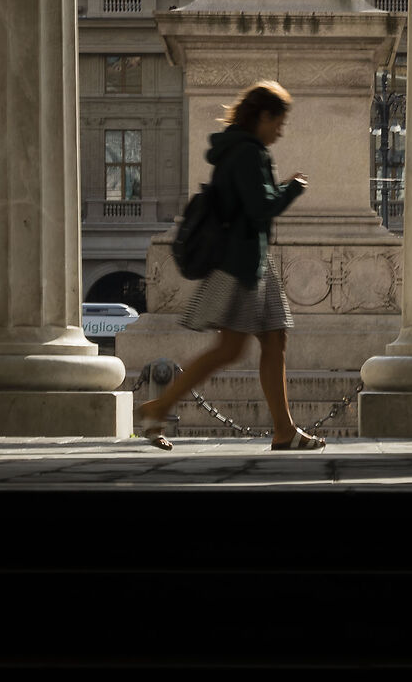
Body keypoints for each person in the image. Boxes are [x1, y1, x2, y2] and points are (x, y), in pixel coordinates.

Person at [133, 81, 327, 451]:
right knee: (231, 349)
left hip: (249, 260)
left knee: (273, 339)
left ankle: (284, 431)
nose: (280, 132)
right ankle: (158, 406)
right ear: (263, 117)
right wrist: (292, 188)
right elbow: (260, 209)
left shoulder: (234, 150)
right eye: (278, 123)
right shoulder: (248, 154)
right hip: (242, 264)